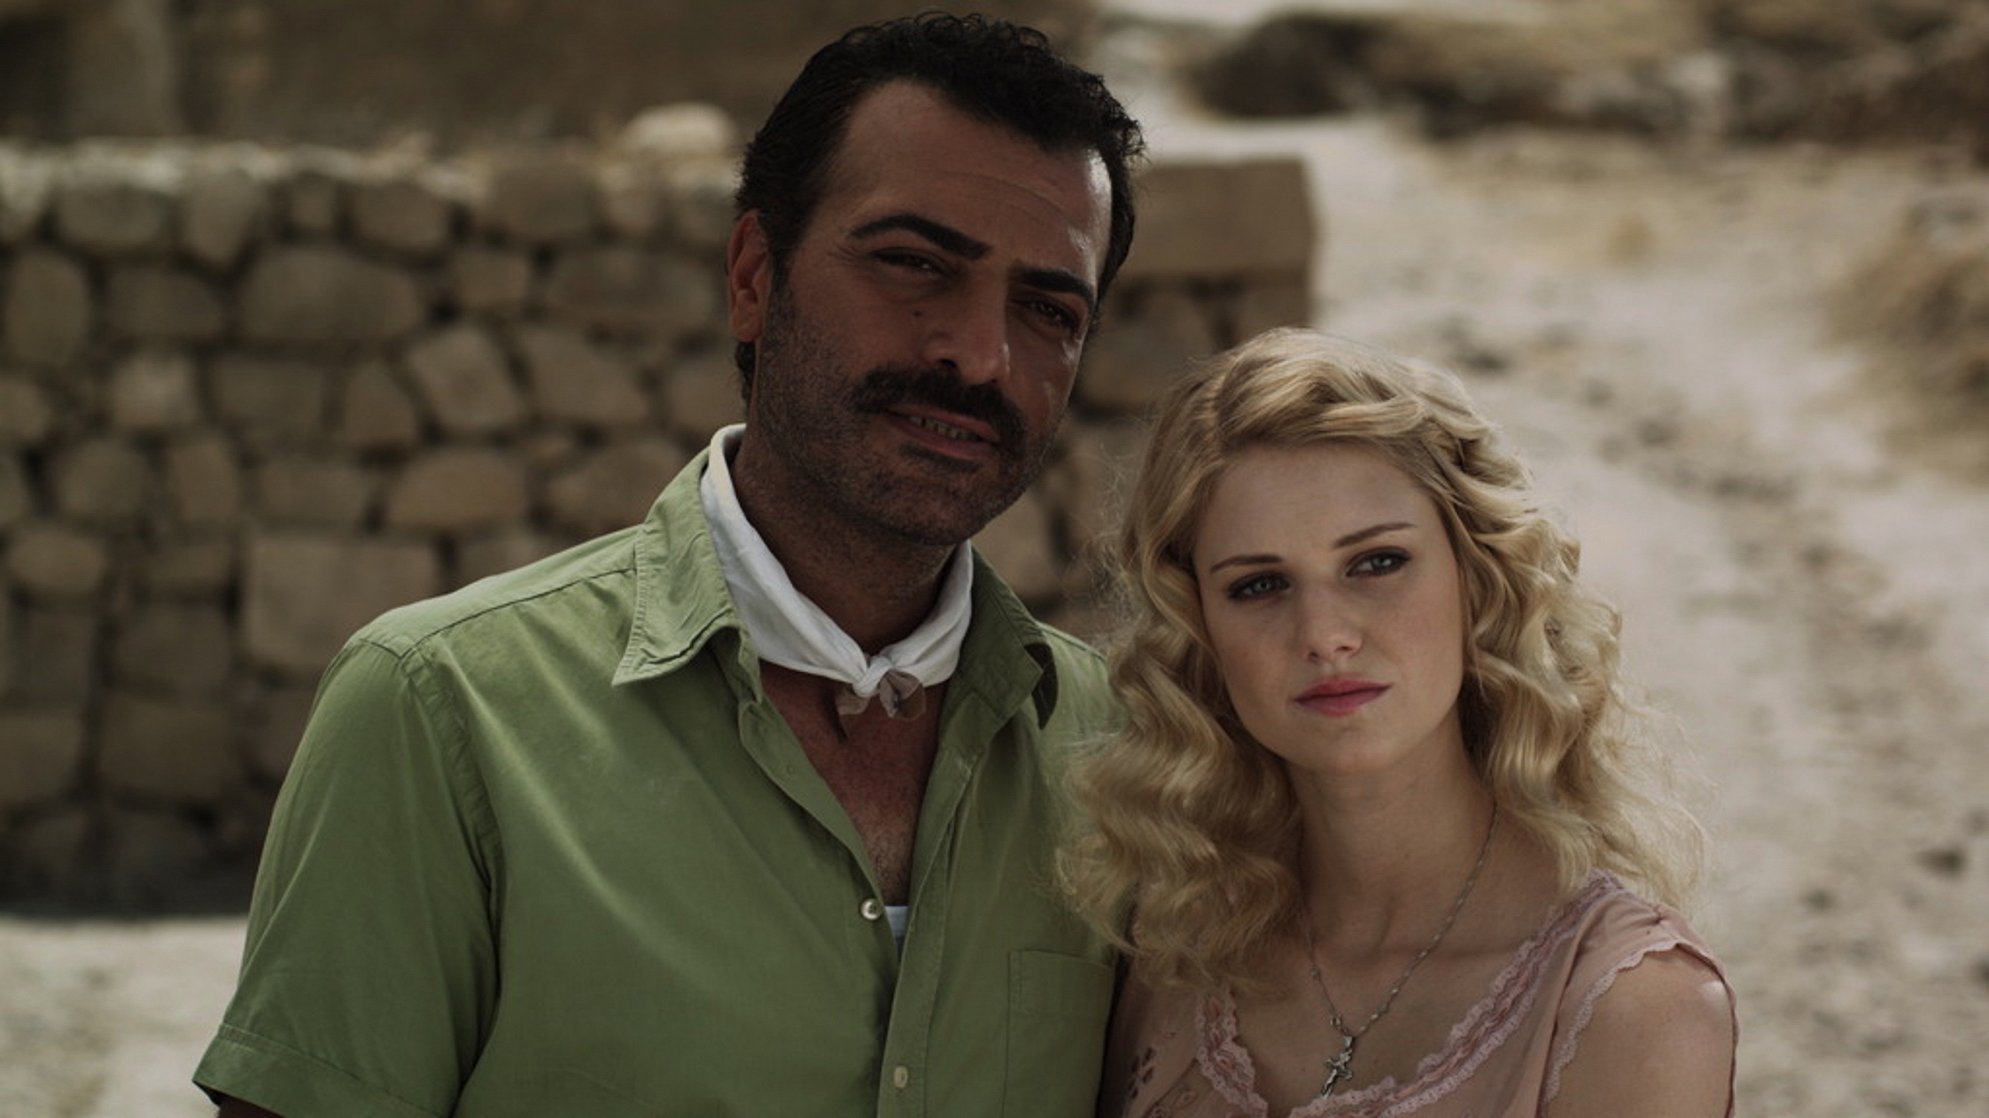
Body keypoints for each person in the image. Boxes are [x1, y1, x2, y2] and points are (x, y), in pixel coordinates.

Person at [194, 13, 1144, 1117]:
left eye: (1047, 309)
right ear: (754, 275)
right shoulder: (439, 712)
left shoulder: (1128, 758)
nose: (978, 354)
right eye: (913, 263)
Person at [1062, 329, 1737, 1117]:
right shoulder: (1169, 953)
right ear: (1200, 631)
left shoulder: (1632, 1007)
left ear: (1478, 581)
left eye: (1376, 562)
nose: (1324, 635)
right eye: (1258, 586)